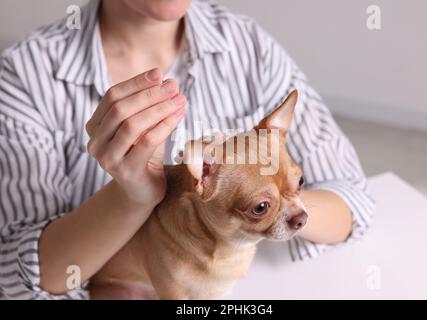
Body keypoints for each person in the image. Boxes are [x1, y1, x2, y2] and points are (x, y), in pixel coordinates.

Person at [0, 0, 374, 299]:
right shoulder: (25, 76)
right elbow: (18, 276)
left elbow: (352, 201)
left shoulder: (249, 48)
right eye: (259, 207)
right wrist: (133, 196)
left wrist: (280, 205)